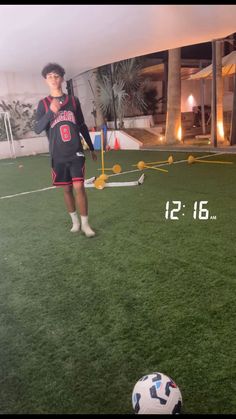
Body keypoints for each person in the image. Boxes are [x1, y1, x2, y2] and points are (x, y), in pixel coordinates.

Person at [34, 63, 97, 237]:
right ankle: (75, 221)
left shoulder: (73, 101)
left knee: (79, 187)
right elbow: (37, 128)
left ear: (62, 78)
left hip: (76, 151)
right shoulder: (43, 104)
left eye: (56, 76)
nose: (53, 79)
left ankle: (85, 224)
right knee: (67, 189)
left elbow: (82, 125)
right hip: (58, 154)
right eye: (50, 77)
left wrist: (91, 148)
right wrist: (50, 113)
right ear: (45, 80)